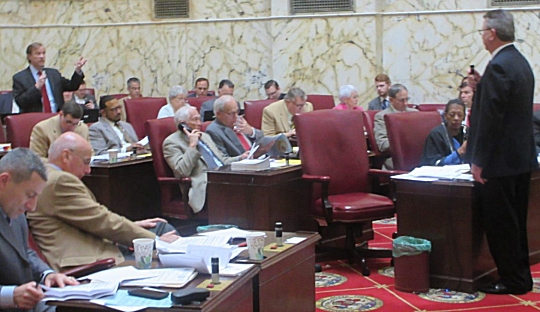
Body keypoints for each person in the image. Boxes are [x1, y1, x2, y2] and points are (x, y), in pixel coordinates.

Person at [27, 133, 179, 271]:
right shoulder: (59, 181)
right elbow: (101, 220)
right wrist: (157, 242)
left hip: (94, 241)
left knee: (160, 227)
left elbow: (89, 218)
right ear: (66, 156)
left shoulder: (49, 174)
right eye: (86, 162)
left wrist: (136, 227)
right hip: (89, 259)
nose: (88, 170)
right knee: (166, 241)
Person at [467, 9, 537, 295]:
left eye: (482, 30)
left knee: (501, 224)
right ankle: (521, 276)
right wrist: (481, 85)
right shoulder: (519, 62)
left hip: (499, 163)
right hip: (520, 159)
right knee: (516, 223)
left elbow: (491, 120)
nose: (482, 35)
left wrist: (479, 161)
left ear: (492, 33)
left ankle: (512, 280)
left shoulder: (498, 66)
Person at [0, 148, 78, 311]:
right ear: (4, 181)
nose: (32, 207)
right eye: (29, 195)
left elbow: (24, 252)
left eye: (36, 196)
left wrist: (47, 274)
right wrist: (9, 295)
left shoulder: (14, 208)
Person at [163, 106, 252, 213]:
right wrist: (192, 146)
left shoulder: (204, 136)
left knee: (252, 183)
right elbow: (182, 171)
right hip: (205, 186)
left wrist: (240, 157)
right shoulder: (171, 142)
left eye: (199, 119)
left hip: (223, 177)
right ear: (183, 124)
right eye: (195, 119)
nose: (200, 123)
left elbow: (222, 160)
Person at [13, 42, 86, 113]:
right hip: (36, 119)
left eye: (43, 53)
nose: (42, 56)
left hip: (56, 116)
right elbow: (21, 102)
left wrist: (78, 70)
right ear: (29, 56)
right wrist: (36, 87)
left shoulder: (53, 74)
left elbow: (72, 86)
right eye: (38, 54)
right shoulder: (20, 78)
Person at [374, 83, 418, 169]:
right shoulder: (382, 116)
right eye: (401, 100)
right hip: (395, 158)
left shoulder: (415, 113)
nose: (406, 103)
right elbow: (382, 145)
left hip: (417, 155)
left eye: (407, 99)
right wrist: (405, 142)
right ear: (391, 100)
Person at [420, 99, 467, 166]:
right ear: (445, 116)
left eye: (460, 115)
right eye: (452, 115)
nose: (456, 118)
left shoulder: (468, 133)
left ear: (464, 117)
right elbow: (435, 163)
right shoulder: (436, 135)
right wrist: (459, 152)